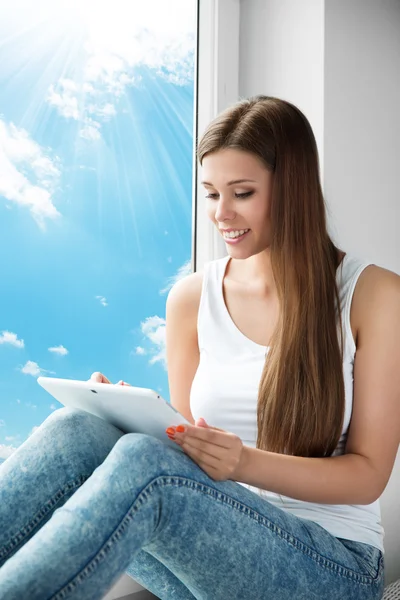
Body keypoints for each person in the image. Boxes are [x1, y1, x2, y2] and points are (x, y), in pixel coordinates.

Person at [0, 95, 399, 600]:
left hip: (333, 564)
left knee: (146, 465)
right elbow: (186, 445)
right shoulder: (191, 298)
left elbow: (367, 477)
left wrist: (243, 463)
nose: (221, 213)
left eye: (242, 192)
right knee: (79, 429)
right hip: (218, 546)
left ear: (292, 189)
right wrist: (125, 415)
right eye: (211, 194)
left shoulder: (373, 295)